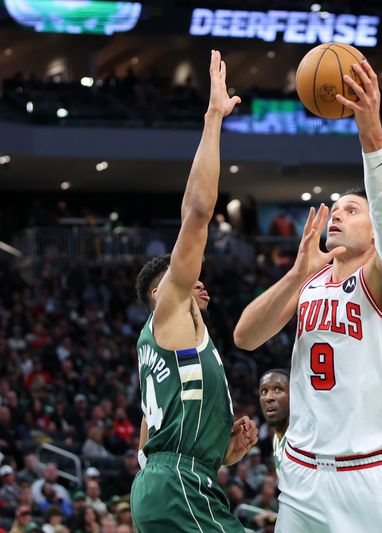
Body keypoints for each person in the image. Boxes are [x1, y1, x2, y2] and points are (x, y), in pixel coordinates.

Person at [234, 58, 382, 532]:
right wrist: (298, 272)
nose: (337, 214)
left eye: (351, 209)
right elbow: (245, 336)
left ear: (375, 232)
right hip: (301, 475)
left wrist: (371, 133)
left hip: (371, 477)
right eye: (334, 208)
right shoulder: (312, 282)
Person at [129, 50, 257, 533]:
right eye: (182, 277)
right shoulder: (170, 312)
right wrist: (213, 118)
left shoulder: (167, 344)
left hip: (173, 483)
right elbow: (198, 214)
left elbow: (150, 439)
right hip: (178, 486)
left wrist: (223, 454)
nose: (196, 279)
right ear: (162, 292)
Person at [258, 369, 290, 473]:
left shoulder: (305, 437)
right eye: (264, 391)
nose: (269, 397)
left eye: (278, 389)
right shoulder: (276, 439)